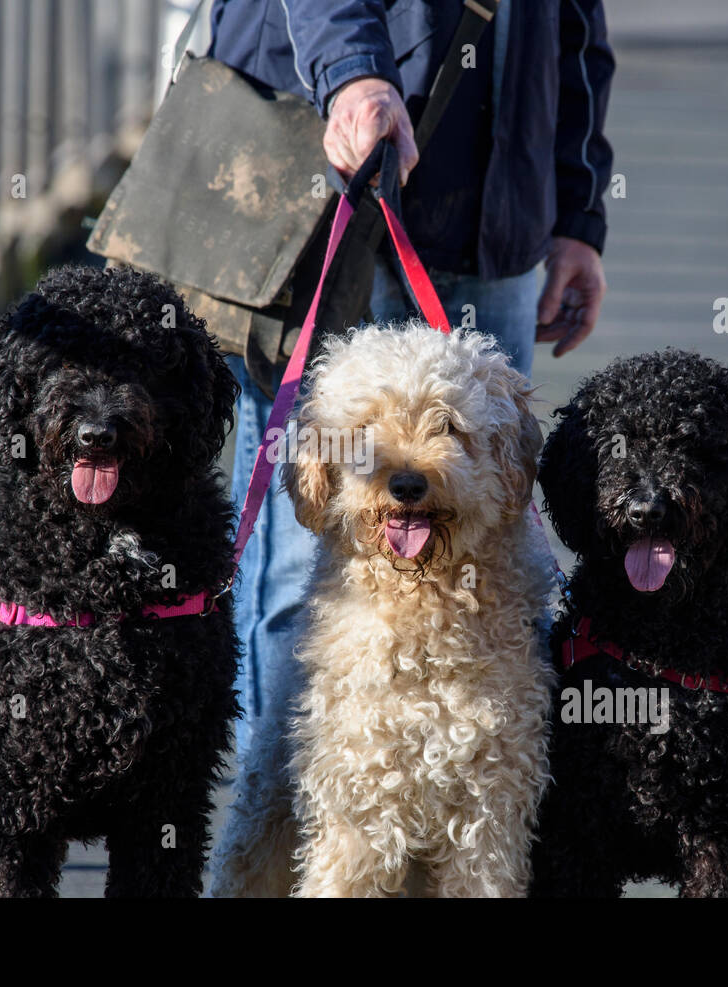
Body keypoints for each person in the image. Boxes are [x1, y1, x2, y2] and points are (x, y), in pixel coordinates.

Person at [207, 0, 615, 756]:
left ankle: (454, 837)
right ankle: (292, 828)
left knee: (486, 563)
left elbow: (575, 28)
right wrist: (351, 72)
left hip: (500, 205)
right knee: (307, 562)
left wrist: (576, 211)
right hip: (329, 167)